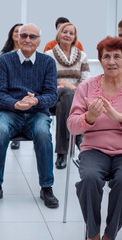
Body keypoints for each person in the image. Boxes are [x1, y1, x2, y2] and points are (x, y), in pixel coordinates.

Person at [67, 36, 122, 240]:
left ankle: (109, 235)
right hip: (95, 148)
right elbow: (72, 125)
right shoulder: (86, 86)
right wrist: (89, 118)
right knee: (90, 178)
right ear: (100, 60)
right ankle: (92, 233)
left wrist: (119, 117)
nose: (112, 61)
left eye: (117, 56)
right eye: (107, 56)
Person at [0, 23, 59, 209]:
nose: (27, 40)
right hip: (10, 112)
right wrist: (16, 103)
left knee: (43, 133)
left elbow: (52, 95)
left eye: (33, 37)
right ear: (17, 38)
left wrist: (35, 101)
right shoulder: (5, 60)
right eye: (24, 35)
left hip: (36, 113)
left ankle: (46, 187)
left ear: (39, 41)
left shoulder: (48, 62)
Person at [44, 23, 90, 169]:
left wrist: (70, 86)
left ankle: (62, 152)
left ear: (74, 37)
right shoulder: (49, 55)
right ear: (59, 34)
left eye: (71, 33)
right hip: (53, 94)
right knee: (65, 95)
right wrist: (63, 86)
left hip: (73, 97)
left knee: (66, 99)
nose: (68, 35)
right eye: (65, 32)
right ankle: (77, 138)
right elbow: (46, 80)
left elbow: (86, 81)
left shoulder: (82, 56)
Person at [0, 23, 23, 150]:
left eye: (21, 32)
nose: (18, 34)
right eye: (16, 31)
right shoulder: (5, 56)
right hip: (9, 94)